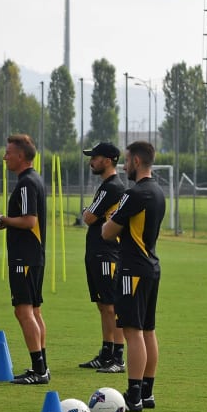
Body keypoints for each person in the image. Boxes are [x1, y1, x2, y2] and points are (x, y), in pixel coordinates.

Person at [102, 141, 165, 412]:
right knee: (148, 331)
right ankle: (147, 393)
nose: (124, 166)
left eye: (126, 161)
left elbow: (107, 232)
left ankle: (134, 395)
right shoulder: (158, 191)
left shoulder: (134, 193)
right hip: (151, 267)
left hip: (132, 270)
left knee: (132, 332)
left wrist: (111, 219)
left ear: (136, 162)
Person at [0, 134, 49, 385]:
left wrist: (1, 219)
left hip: (25, 256)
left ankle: (39, 370)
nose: (4, 157)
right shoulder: (34, 180)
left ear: (20, 156)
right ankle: (42, 365)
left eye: (8, 152)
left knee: (23, 311)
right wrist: (3, 223)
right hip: (33, 255)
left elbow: (29, 221)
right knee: (34, 310)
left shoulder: (26, 184)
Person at [79, 142, 126, 373]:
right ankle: (106, 353)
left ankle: (117, 357)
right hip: (97, 251)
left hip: (107, 252)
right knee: (102, 304)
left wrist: (88, 213)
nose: (91, 161)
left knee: (111, 306)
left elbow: (88, 217)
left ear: (107, 160)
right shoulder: (107, 186)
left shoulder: (112, 187)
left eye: (95, 157)